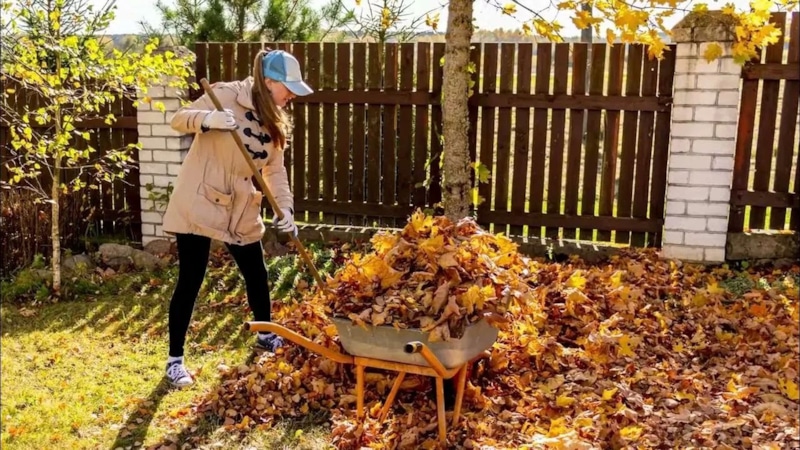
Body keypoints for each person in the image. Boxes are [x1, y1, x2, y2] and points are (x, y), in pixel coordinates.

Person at [159, 49, 314, 388]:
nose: (291, 96)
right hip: (200, 198)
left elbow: (275, 169)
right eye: (287, 88)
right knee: (191, 278)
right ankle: (175, 361)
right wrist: (208, 120)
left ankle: (264, 334)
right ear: (269, 81)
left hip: (241, 206)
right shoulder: (225, 95)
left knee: (256, 273)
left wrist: (285, 209)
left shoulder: (275, 117)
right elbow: (178, 118)